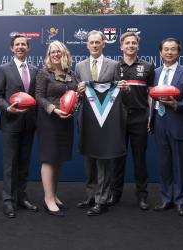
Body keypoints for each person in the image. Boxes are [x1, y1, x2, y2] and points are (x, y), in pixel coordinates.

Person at [74, 30, 129, 216]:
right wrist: (79, 89)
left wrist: (123, 87)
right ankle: (91, 195)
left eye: (98, 42)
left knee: (103, 160)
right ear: (87, 44)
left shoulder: (114, 65)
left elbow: (119, 91)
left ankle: (102, 199)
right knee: (88, 156)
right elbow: (76, 93)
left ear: (104, 43)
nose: (95, 45)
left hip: (106, 119)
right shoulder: (79, 66)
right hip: (87, 117)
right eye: (92, 42)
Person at [0, 34, 39, 218]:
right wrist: (7, 108)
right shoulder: (4, 69)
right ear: (12, 48)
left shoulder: (35, 70)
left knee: (24, 164)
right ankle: (8, 201)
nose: (20, 47)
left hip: (29, 123)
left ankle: (22, 197)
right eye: (17, 44)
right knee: (10, 164)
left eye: (23, 44)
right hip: (11, 123)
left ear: (28, 48)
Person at [149, 38, 183, 216]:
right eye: (166, 49)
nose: (169, 52)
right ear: (160, 52)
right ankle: (166, 199)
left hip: (178, 123)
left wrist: (176, 104)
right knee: (164, 164)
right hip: (159, 123)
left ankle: (181, 201)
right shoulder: (156, 72)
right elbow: (152, 96)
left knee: (180, 164)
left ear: (178, 52)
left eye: (173, 49)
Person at [109, 31, 155, 210]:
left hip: (139, 117)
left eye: (133, 43)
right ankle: (115, 194)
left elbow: (151, 93)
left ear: (138, 46)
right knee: (118, 158)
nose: (130, 46)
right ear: (121, 46)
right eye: (127, 43)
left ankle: (142, 196)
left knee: (140, 159)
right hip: (118, 118)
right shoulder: (114, 67)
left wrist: (151, 115)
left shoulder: (147, 66)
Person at [35, 40, 80, 217]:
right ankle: (48, 199)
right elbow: (38, 96)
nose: (55, 54)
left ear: (64, 54)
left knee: (58, 159)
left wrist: (79, 94)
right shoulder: (43, 72)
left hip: (65, 120)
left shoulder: (72, 73)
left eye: (58, 51)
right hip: (49, 120)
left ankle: (54, 195)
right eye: (52, 52)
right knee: (49, 159)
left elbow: (75, 94)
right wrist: (53, 109)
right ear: (49, 54)